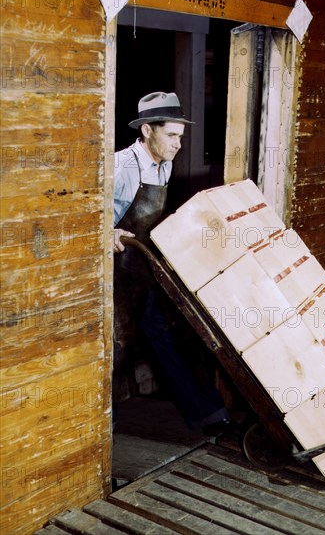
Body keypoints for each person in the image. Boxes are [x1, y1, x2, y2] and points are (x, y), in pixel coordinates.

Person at [112, 91, 236, 435]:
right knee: (115, 355)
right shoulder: (120, 167)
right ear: (148, 130)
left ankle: (209, 416)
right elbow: (89, 217)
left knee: (171, 340)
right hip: (114, 280)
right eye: (171, 135)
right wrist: (106, 232)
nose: (178, 144)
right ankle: (101, 444)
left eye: (181, 136)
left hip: (146, 272)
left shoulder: (163, 163)